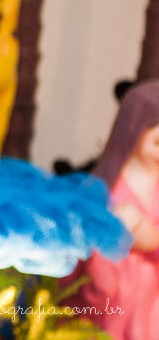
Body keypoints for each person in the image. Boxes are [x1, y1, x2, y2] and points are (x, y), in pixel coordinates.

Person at [68, 81, 159, 339]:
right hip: (112, 289)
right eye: (157, 142)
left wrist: (146, 234)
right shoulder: (107, 185)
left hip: (149, 296)